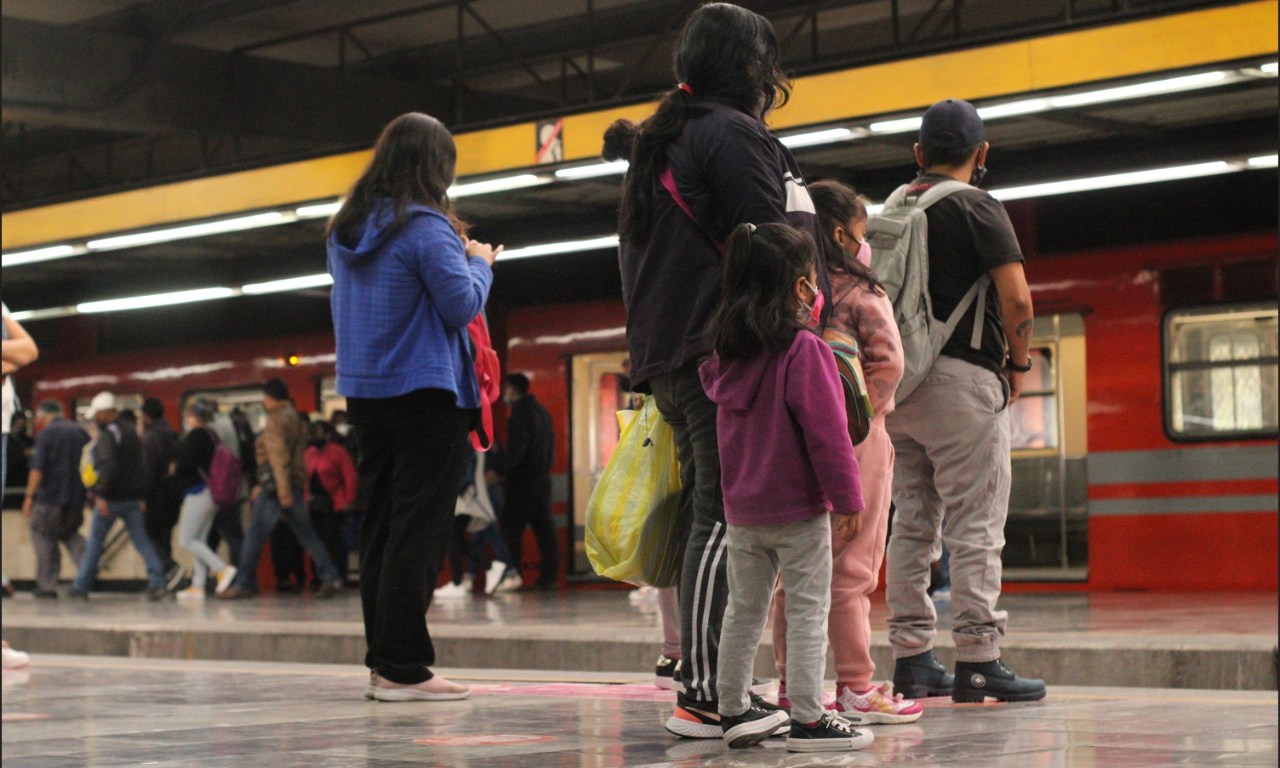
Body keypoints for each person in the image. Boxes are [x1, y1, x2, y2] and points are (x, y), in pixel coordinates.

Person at [606, 2, 825, 737]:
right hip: (717, 350)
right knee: (721, 515)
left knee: (718, 510)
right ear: (752, 68)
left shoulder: (666, 139)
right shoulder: (729, 134)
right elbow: (772, 247)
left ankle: (711, 683)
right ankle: (704, 690)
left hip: (672, 349)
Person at [327, 112, 499, 701]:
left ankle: (384, 660)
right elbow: (459, 306)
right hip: (427, 392)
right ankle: (404, 667)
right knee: (420, 530)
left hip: (366, 393)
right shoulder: (424, 228)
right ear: (435, 167)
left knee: (379, 526)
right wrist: (481, 262)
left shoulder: (345, 232)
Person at [883, 99, 1044, 703]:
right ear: (982, 156)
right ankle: (978, 658)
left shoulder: (893, 208)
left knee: (912, 521)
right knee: (975, 524)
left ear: (919, 155)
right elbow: (1018, 301)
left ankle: (913, 658)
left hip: (900, 388)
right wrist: (1019, 364)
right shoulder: (980, 206)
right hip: (963, 383)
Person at [699, 223, 871, 752]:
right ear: (801, 288)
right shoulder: (805, 353)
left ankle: (733, 708)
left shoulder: (725, 360)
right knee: (806, 610)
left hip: (744, 513)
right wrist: (848, 500)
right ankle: (811, 720)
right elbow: (829, 438)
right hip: (798, 511)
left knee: (743, 611)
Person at [768, 180, 922, 724]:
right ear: (840, 233)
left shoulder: (795, 292)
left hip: (795, 443)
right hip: (858, 444)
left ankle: (792, 684)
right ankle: (857, 684)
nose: (865, 243)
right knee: (852, 572)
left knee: (795, 573)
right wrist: (856, 423)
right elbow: (890, 362)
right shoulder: (863, 292)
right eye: (860, 232)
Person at [218, 380, 343, 600]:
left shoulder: (276, 420)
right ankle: (331, 576)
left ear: (269, 397)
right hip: (290, 484)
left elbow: (278, 457)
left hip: (276, 488)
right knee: (308, 535)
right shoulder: (294, 417)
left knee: (254, 536)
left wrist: (282, 491)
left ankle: (245, 583)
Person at [69, 392, 171, 601]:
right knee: (142, 542)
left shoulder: (108, 435)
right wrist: (140, 494)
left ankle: (81, 585)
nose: (97, 418)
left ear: (107, 412)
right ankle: (158, 582)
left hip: (112, 499)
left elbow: (109, 467)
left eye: (98, 414)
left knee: (95, 543)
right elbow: (140, 467)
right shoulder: (131, 431)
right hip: (133, 499)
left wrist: (102, 495)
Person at [21, 401, 90, 598]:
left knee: (41, 534)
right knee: (70, 534)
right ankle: (86, 576)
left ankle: (47, 585)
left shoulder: (46, 434)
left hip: (50, 497)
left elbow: (37, 469)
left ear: (43, 416)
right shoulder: (81, 432)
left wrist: (28, 497)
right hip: (77, 497)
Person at [172, 401, 238, 600]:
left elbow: (186, 465)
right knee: (199, 540)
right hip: (212, 492)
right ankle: (198, 586)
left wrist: (175, 468)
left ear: (193, 417)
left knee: (186, 539)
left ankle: (221, 569)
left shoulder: (196, 436)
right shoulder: (212, 435)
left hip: (198, 492)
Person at [499, 373, 557, 589]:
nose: (504, 393)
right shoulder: (543, 411)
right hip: (543, 479)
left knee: (512, 529)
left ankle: (513, 575)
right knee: (545, 529)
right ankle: (548, 577)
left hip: (522, 481)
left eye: (506, 389)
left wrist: (502, 469)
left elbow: (518, 450)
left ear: (513, 390)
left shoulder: (519, 414)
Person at [305, 420, 358, 586]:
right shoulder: (309, 452)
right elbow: (305, 478)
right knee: (315, 541)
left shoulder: (338, 452)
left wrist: (349, 498)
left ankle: (338, 575)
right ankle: (319, 577)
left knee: (333, 541)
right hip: (313, 504)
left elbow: (349, 476)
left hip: (333, 503)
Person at [139, 397, 182, 585]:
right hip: (172, 494)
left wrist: (143, 495)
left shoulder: (150, 438)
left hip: (155, 496)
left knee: (149, 537)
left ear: (146, 416)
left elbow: (148, 471)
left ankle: (170, 570)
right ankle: (166, 580)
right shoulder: (172, 434)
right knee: (165, 539)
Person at [204, 402, 245, 568]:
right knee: (214, 536)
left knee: (230, 535)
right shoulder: (228, 424)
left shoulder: (213, 428)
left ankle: (241, 577)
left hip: (220, 489)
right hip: (231, 487)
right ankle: (207, 576)